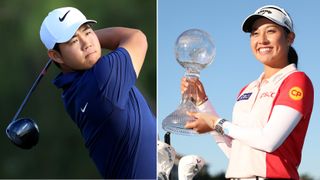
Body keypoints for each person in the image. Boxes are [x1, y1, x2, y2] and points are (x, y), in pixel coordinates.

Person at [182, 5, 314, 180]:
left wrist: (216, 123)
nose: (262, 40)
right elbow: (236, 153)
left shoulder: (296, 80)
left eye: (271, 31)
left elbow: (269, 141)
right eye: (255, 33)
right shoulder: (247, 89)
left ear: (290, 38)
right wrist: (202, 103)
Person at [39, 7, 156, 179]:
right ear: (56, 56)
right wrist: (93, 38)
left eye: (87, 32)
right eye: (73, 41)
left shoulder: (71, 91)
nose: (86, 43)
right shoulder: (103, 77)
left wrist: (79, 39)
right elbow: (136, 37)